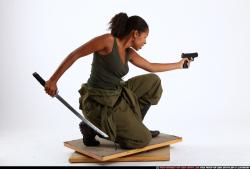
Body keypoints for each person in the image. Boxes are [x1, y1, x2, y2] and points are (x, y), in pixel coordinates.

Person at [44, 12, 192, 149]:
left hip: (116, 94)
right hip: (99, 102)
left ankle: (134, 125)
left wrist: (179, 64)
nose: (145, 42)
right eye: (145, 37)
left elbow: (151, 66)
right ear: (135, 33)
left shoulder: (129, 52)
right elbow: (75, 55)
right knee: (143, 139)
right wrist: (53, 80)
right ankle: (91, 128)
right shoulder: (108, 41)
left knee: (153, 82)